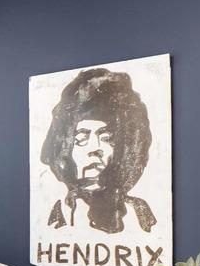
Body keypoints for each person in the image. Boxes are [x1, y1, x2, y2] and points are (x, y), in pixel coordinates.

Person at [39, 67, 157, 235]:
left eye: (107, 139)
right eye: (82, 138)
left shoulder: (137, 214)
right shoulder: (53, 209)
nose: (96, 149)